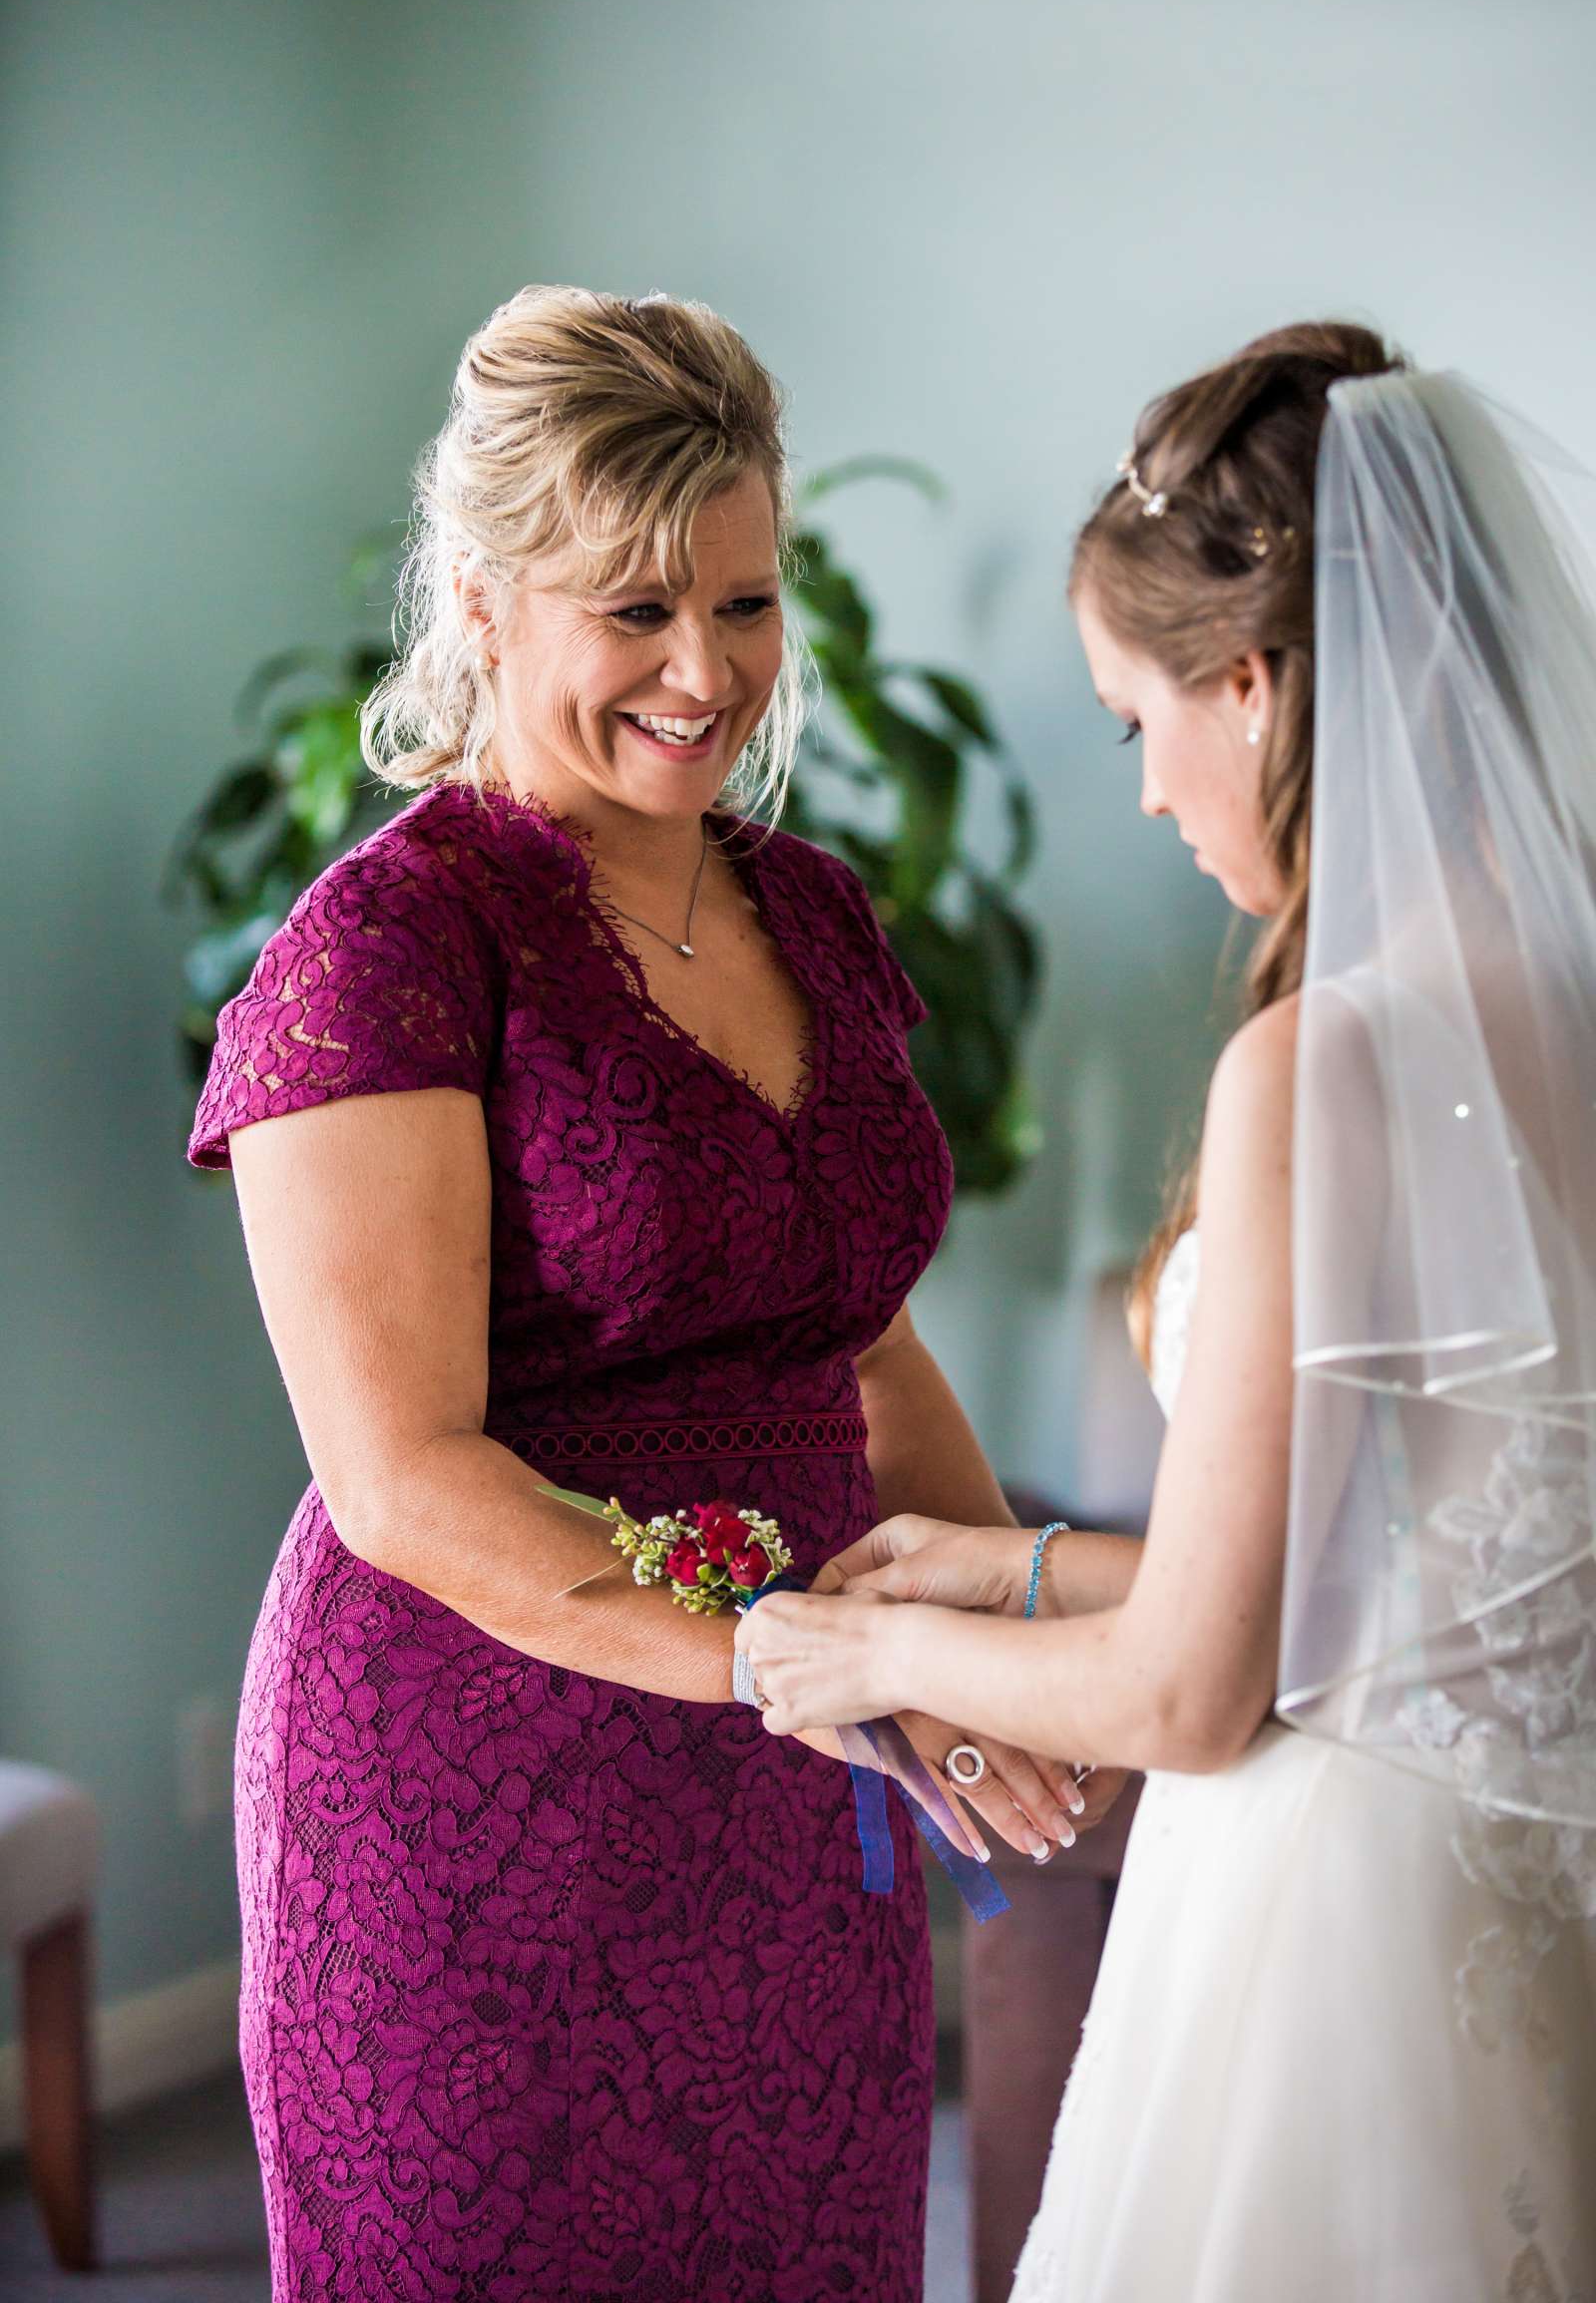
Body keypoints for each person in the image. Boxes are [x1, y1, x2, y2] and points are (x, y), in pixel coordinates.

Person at [188, 283, 1102, 2303]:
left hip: (798, 1785)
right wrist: (831, 1674)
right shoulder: (387, 950)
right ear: (491, 600)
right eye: (636, 609)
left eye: (750, 605)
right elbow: (402, 1478)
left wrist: (1000, 1617)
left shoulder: (812, 910)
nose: (708, 674)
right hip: (477, 1789)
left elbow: (858, 1345)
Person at [740, 321, 1596, 2300]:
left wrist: (837, 1646)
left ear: (1257, 681)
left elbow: (1197, 1698)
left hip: (1335, 1945)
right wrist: (1002, 1564)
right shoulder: (1561, 1026)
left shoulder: (1326, 1070)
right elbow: (1412, 1570)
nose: (1142, 797)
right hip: (1532, 1886)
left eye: (1138, 723)